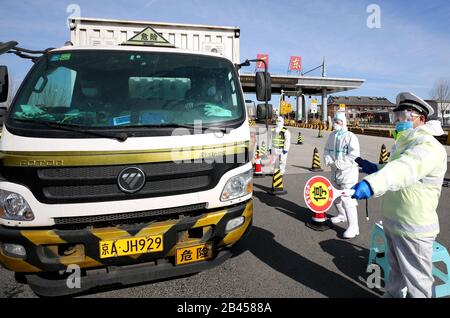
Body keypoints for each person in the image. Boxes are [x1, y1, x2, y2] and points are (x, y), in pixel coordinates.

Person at [352, 92, 447, 298]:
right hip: (395, 223)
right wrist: (375, 168)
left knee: (418, 283)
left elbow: (405, 169)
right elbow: (392, 168)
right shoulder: (405, 143)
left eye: (405, 116)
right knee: (396, 273)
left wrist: (371, 183)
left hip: (414, 228)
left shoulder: (428, 146)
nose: (398, 121)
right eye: (397, 116)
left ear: (421, 119)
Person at [324, 111, 361, 239]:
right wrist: (329, 161)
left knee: (348, 199)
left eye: (338, 122)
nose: (335, 124)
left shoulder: (351, 137)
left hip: (347, 173)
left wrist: (338, 164)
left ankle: (354, 226)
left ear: (344, 123)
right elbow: (327, 150)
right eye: (334, 121)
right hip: (335, 172)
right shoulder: (332, 136)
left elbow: (354, 155)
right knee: (334, 195)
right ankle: (342, 215)